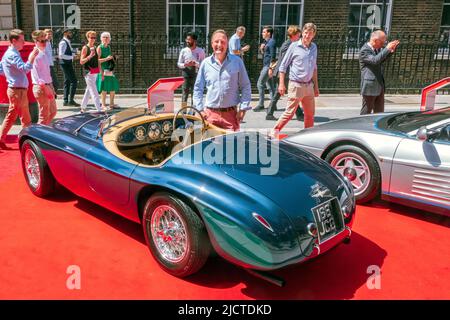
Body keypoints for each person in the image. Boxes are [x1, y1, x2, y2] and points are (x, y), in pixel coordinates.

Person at [193, 29, 251, 131]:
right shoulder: (205, 64)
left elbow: (245, 86)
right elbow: (198, 88)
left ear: (227, 44)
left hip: (231, 115)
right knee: (210, 146)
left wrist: (243, 108)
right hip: (210, 116)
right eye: (216, 41)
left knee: (230, 146)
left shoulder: (237, 62)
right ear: (212, 44)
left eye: (223, 42)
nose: (219, 44)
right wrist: (200, 109)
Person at [272, 23, 320, 135]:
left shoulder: (314, 47)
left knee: (309, 115)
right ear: (302, 33)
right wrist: (281, 84)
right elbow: (283, 66)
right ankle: (273, 132)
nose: (308, 35)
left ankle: (307, 136)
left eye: (311, 33)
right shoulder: (294, 46)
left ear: (314, 35)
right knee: (289, 113)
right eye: (306, 33)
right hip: (296, 85)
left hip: (309, 86)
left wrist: (316, 87)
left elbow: (314, 68)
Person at [0, 29, 39, 150]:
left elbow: (1, 69)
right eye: (21, 40)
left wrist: (11, 76)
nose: (23, 43)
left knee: (12, 116)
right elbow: (25, 68)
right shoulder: (12, 54)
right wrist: (32, 57)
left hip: (16, 89)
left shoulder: (10, 53)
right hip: (18, 90)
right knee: (25, 119)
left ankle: (2, 139)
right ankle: (27, 143)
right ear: (14, 41)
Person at [266, 25, 304, 121]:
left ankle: (270, 113)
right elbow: (284, 60)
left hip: (284, 73)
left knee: (285, 93)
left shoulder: (290, 43)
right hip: (284, 73)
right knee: (287, 93)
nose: (300, 37)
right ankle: (299, 114)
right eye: (298, 35)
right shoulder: (289, 45)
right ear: (293, 35)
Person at [359, 30, 400, 114]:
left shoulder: (376, 49)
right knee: (366, 110)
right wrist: (386, 49)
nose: (383, 44)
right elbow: (375, 60)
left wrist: (390, 51)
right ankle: (361, 125)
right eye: (382, 42)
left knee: (379, 111)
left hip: (379, 85)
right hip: (369, 86)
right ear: (375, 40)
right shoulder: (364, 50)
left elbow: (380, 60)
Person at [31, 30, 57, 125]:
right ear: (35, 41)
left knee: (53, 112)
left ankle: (43, 129)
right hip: (41, 87)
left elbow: (46, 73)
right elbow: (36, 76)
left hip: (48, 85)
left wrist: (51, 86)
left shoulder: (43, 53)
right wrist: (46, 88)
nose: (44, 43)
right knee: (44, 115)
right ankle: (40, 133)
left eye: (45, 40)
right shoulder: (35, 55)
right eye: (41, 41)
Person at [177, 32, 205, 109]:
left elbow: (203, 65)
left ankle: (193, 110)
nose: (187, 41)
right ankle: (183, 111)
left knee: (195, 93)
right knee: (184, 93)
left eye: (189, 39)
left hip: (196, 74)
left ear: (194, 41)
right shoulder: (183, 50)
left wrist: (195, 63)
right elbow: (179, 63)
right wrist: (185, 65)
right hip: (185, 74)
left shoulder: (200, 51)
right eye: (186, 39)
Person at [253, 26, 276, 112]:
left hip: (268, 66)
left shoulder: (272, 42)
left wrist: (270, 68)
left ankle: (261, 104)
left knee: (260, 84)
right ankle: (273, 104)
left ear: (268, 33)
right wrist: (262, 49)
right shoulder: (266, 42)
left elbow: (273, 56)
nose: (262, 33)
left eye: (263, 32)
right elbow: (266, 54)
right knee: (270, 85)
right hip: (266, 66)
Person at [80, 31, 102, 112]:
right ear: (87, 38)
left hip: (95, 71)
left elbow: (98, 60)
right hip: (88, 71)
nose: (93, 39)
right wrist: (89, 56)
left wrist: (99, 70)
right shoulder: (85, 48)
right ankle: (99, 109)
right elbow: (81, 61)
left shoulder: (96, 47)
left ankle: (83, 107)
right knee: (94, 90)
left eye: (94, 38)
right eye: (91, 37)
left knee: (89, 90)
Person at [97, 32, 119, 110]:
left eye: (107, 37)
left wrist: (113, 58)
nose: (106, 39)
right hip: (102, 70)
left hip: (109, 70)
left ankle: (111, 104)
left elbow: (109, 58)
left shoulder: (108, 47)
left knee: (112, 87)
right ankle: (103, 105)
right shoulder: (100, 47)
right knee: (104, 89)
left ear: (109, 39)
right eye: (104, 37)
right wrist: (107, 59)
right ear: (101, 38)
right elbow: (97, 61)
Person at [58, 28, 79, 106]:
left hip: (67, 63)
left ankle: (65, 100)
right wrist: (72, 57)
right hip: (65, 64)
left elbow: (68, 53)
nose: (71, 34)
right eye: (70, 33)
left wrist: (74, 55)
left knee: (67, 81)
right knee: (74, 81)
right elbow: (61, 55)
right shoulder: (63, 43)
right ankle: (71, 100)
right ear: (65, 33)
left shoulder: (67, 42)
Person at [44, 29, 58, 97]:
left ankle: (51, 98)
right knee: (54, 83)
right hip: (47, 66)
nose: (49, 36)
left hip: (50, 65)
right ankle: (50, 97)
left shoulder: (49, 43)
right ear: (44, 35)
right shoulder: (44, 43)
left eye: (50, 34)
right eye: (48, 34)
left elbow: (49, 55)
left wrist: (55, 58)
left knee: (52, 83)